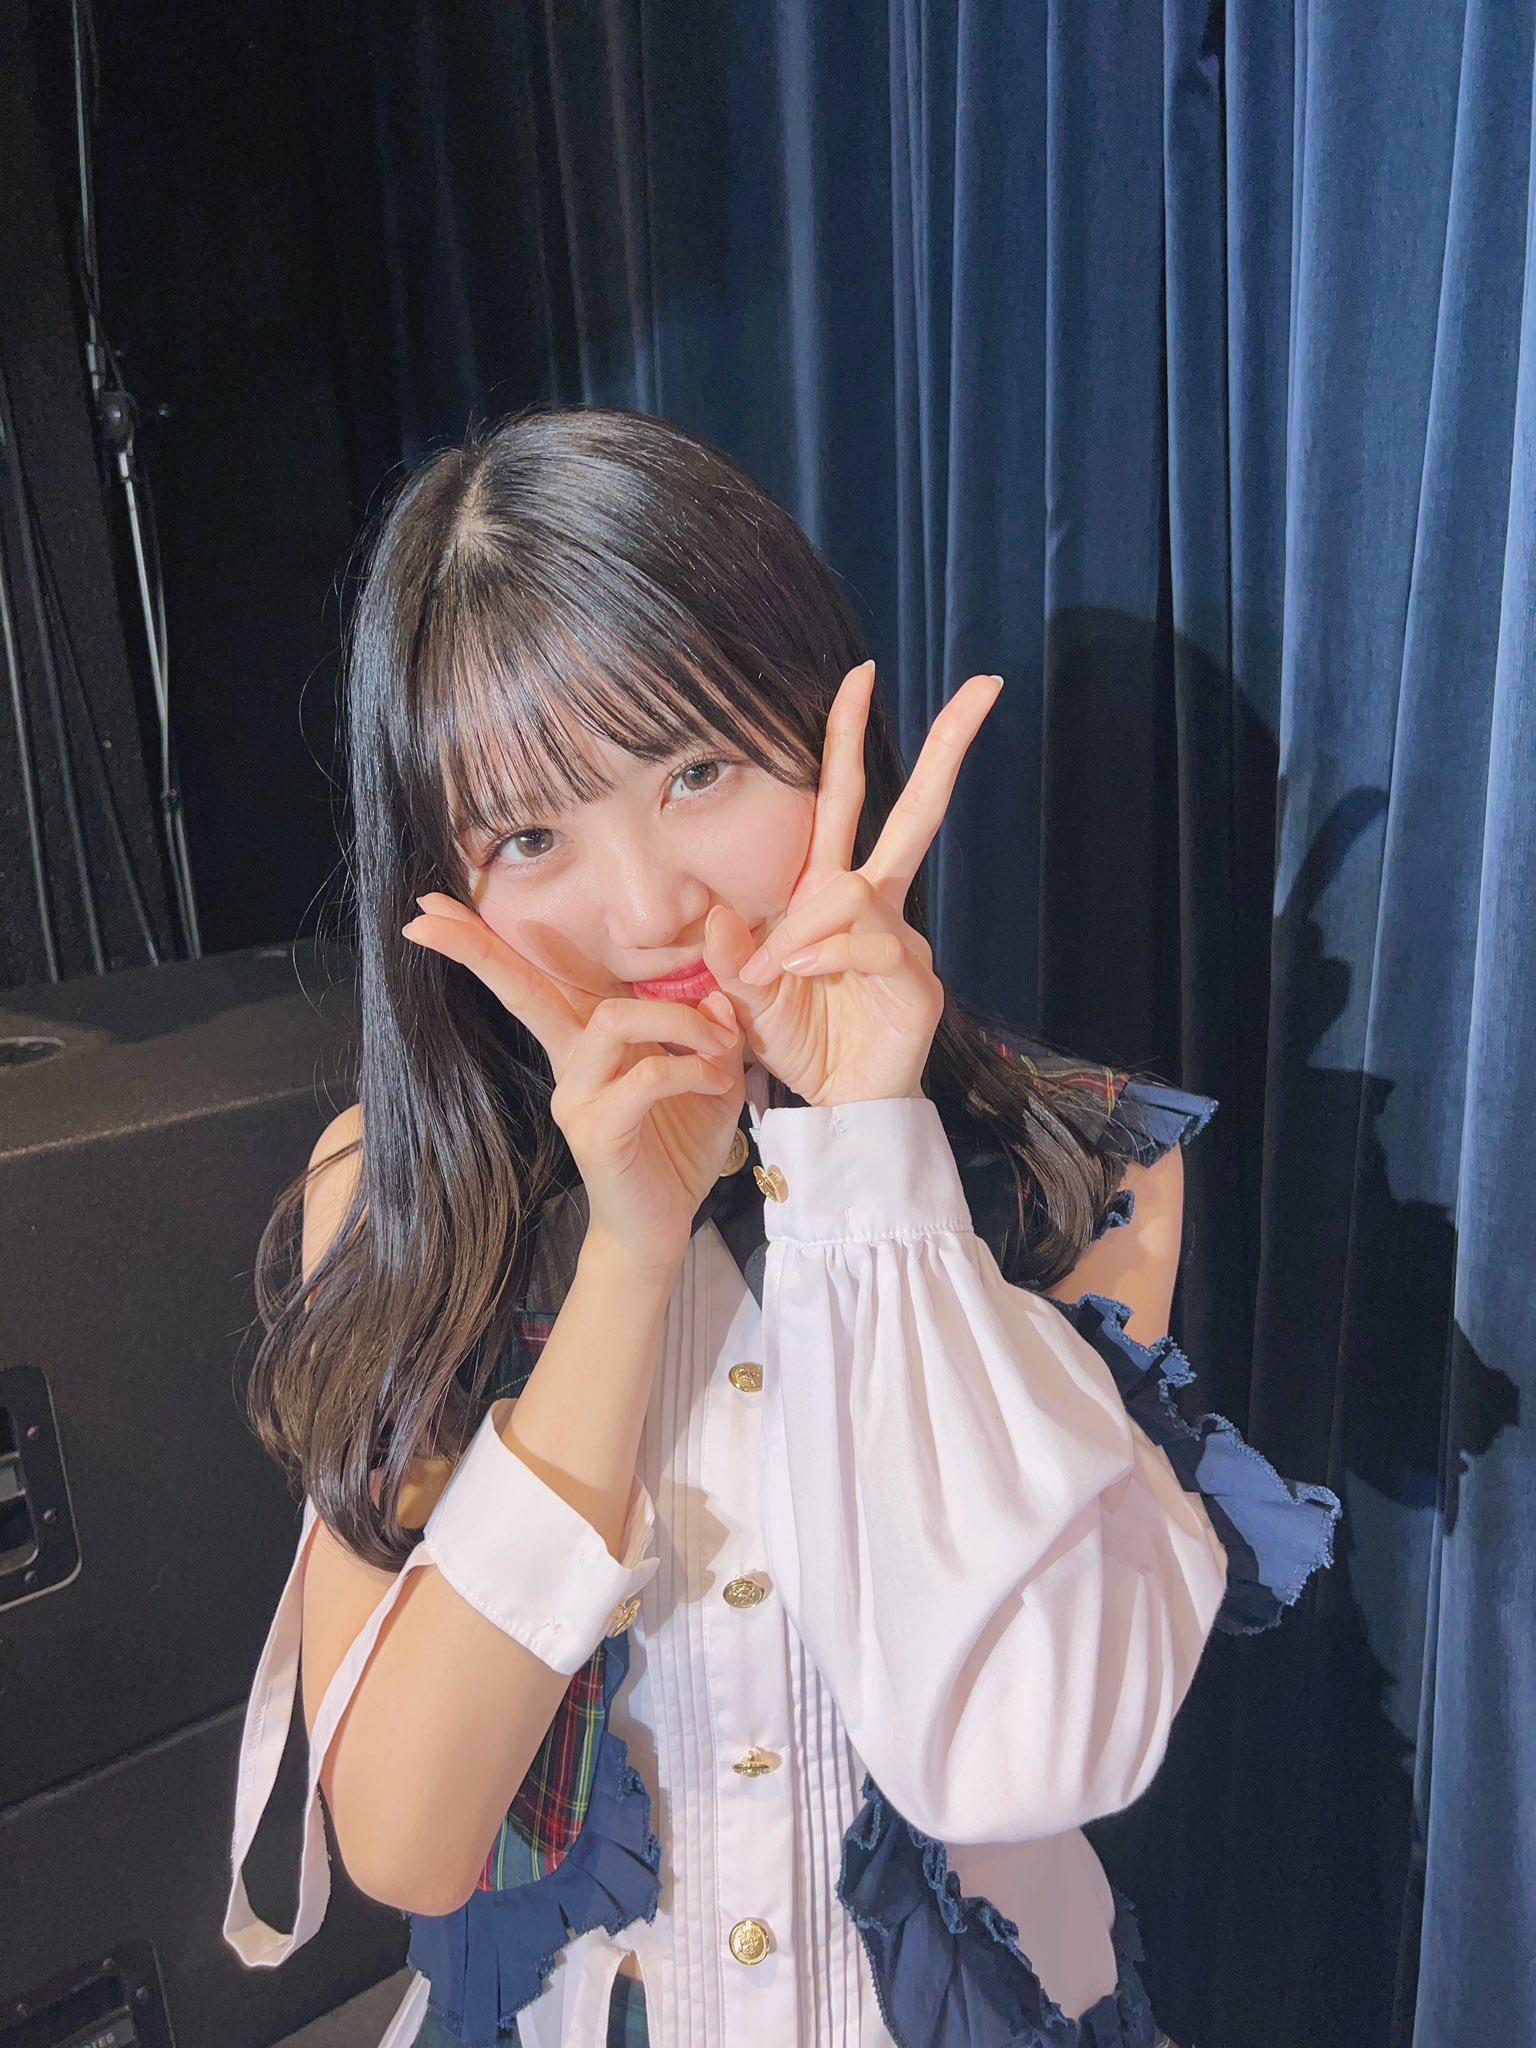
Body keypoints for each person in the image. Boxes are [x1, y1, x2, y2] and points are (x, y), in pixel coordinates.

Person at [222, 406, 1339, 2048]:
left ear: (828, 744)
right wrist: (629, 1251)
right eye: (530, 835)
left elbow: (1018, 1759)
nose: (647, 908)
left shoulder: (1075, 1170)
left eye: (697, 770)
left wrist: (865, 1153)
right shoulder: (399, 1192)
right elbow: (407, 1842)